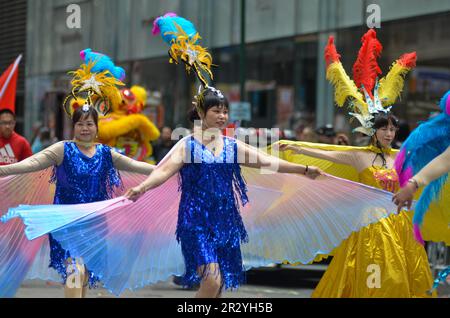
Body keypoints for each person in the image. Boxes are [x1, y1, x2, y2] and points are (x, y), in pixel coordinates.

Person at [276, 29, 436, 297]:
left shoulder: (401, 156)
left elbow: (429, 169)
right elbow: (325, 153)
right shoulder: (358, 156)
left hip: (400, 226)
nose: (388, 133)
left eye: (392, 130)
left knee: (401, 280)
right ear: (373, 131)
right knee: (380, 279)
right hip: (371, 225)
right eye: (383, 129)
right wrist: (295, 146)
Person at [124, 87, 322, 298]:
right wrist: (142, 187)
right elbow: (163, 171)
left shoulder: (232, 146)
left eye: (225, 111)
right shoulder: (187, 145)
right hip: (195, 222)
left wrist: (304, 170)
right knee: (211, 280)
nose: (222, 116)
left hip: (226, 222)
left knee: (219, 286)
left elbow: (267, 162)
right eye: (216, 111)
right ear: (201, 113)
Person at [0, 51, 154, 298]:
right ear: (74, 126)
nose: (85, 128)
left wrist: (172, 169)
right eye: (80, 124)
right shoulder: (62, 149)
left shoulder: (106, 153)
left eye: (89, 124)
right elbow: (29, 164)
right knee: (75, 271)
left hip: (95, 223)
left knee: (83, 277)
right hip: (66, 223)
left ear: (96, 127)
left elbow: (139, 167)